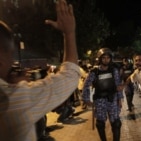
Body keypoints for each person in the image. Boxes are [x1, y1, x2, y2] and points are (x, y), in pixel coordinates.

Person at [0, 1, 81, 140]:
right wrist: (69, 33)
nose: (12, 62)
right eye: (11, 55)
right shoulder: (14, 99)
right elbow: (70, 74)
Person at [82, 48, 123, 141]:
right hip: (100, 101)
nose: (106, 60)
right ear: (100, 59)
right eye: (103, 58)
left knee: (116, 123)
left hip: (112, 99)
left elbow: (118, 85)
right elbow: (86, 85)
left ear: (110, 59)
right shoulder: (94, 72)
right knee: (100, 123)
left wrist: (120, 99)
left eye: (108, 58)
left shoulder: (114, 70)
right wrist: (86, 99)